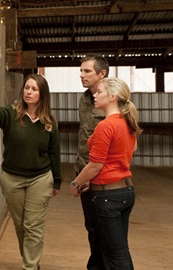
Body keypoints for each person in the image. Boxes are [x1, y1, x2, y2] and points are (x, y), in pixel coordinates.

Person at [0, 74, 61, 270]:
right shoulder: (12, 114)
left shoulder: (49, 122)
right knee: (21, 226)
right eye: (27, 88)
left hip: (40, 179)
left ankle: (29, 267)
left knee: (33, 226)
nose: (29, 92)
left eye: (34, 89)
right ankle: (32, 262)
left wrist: (57, 181)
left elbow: (54, 152)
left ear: (42, 94)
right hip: (12, 179)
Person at [69, 77, 142, 269]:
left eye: (100, 91)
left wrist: (76, 183)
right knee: (118, 250)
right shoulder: (126, 122)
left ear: (113, 97)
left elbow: (95, 165)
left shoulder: (106, 125)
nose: (95, 94)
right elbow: (130, 150)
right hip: (125, 191)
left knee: (115, 254)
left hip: (108, 196)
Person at [75, 54, 110, 270]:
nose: (82, 75)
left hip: (103, 177)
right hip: (85, 173)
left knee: (106, 231)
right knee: (92, 228)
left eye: (87, 71)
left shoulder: (113, 98)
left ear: (102, 73)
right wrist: (80, 175)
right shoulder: (84, 98)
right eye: (81, 71)